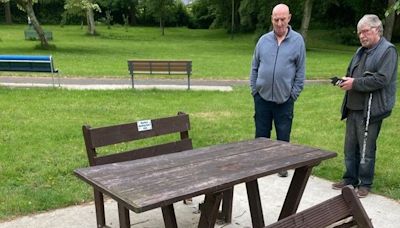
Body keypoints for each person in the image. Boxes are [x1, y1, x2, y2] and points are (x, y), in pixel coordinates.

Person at [332, 14, 398, 198]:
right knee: (350, 147)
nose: (361, 36)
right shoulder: (360, 51)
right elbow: (353, 74)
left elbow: (382, 79)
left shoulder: (388, 51)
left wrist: (355, 83)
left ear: (377, 30)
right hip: (353, 107)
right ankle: (349, 179)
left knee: (366, 149)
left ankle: (365, 183)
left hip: (371, 109)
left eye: (365, 31)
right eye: (359, 32)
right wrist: (344, 81)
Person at [249, 4, 305, 177]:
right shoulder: (263, 41)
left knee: (283, 134)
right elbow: (254, 67)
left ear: (289, 18)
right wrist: (254, 90)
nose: (279, 23)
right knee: (261, 134)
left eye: (283, 19)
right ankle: (260, 165)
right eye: (276, 19)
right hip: (262, 97)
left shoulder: (298, 41)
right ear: (271, 19)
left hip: (284, 99)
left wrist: (293, 95)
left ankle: (281, 166)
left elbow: (300, 71)